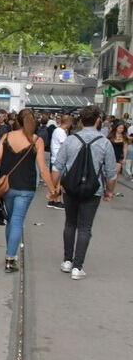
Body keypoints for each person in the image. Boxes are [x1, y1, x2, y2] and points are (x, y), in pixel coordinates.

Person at [0, 109, 58, 273]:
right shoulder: (36, 140)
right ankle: (10, 259)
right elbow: (43, 169)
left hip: (7, 187)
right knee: (17, 221)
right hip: (26, 187)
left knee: (12, 220)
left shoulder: (6, 137)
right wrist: (52, 190)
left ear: (17, 121)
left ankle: (10, 253)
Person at [50, 105, 117, 280]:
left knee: (70, 224)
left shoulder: (70, 140)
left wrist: (53, 189)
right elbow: (111, 173)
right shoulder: (104, 143)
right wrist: (109, 192)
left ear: (80, 120)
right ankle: (77, 267)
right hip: (93, 191)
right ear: (98, 120)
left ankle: (66, 261)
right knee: (85, 227)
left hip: (70, 188)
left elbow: (57, 166)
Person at [47, 114, 73, 210]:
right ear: (68, 123)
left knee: (58, 182)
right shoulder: (61, 132)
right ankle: (55, 200)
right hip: (59, 160)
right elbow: (66, 145)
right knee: (59, 182)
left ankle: (54, 200)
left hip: (56, 159)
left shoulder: (57, 130)